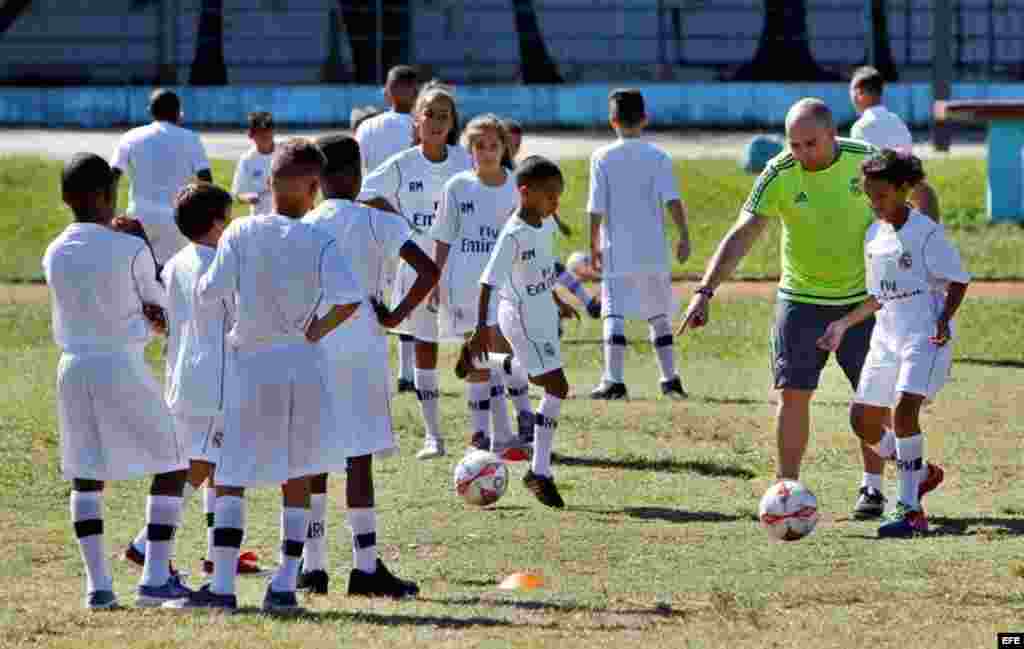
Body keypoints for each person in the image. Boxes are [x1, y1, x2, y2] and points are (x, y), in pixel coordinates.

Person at [679, 98, 945, 518]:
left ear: (832, 134)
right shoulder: (780, 172)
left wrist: (924, 243)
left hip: (863, 300)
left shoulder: (865, 159)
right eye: (794, 144)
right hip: (800, 300)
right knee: (792, 394)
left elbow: (922, 190)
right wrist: (704, 291)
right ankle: (786, 491)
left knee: (872, 399)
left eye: (810, 143)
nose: (801, 153)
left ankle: (873, 487)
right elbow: (743, 232)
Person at [172, 139, 363, 612]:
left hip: (252, 364)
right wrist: (315, 329)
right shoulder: (320, 240)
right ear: (313, 188)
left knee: (231, 474)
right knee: (296, 474)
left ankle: (222, 586)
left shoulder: (241, 231)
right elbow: (349, 300)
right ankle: (283, 584)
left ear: (270, 182)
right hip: (303, 363)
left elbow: (210, 290)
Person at [44, 153, 190, 609]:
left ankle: (98, 587)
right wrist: (143, 245)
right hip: (120, 363)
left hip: (73, 367)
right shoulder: (129, 248)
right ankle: (154, 577)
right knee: (174, 463)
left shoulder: (54, 250)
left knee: (86, 475)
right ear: (106, 196)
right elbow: (160, 302)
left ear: (66, 198)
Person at [297, 134, 436, 597]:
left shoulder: (305, 224)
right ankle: (365, 566)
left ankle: (313, 566)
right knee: (358, 459)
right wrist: (396, 316)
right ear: (357, 174)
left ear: (316, 179)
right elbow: (428, 270)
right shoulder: (378, 220)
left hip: (314, 348)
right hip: (362, 350)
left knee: (315, 458)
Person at [817, 150, 968, 537]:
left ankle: (910, 510)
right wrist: (843, 324)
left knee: (903, 411)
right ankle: (919, 472)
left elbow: (958, 279)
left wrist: (943, 319)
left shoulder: (926, 233)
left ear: (904, 189)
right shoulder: (874, 235)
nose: (875, 203)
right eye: (869, 196)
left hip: (923, 333)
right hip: (886, 336)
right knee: (862, 419)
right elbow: (877, 296)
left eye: (881, 195)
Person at [121, 183, 265, 579]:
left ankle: (217, 552)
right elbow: (243, 320)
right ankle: (143, 544)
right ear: (217, 224)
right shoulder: (220, 264)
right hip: (214, 382)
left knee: (216, 465)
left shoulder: (176, 262)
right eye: (228, 219)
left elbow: (165, 317)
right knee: (200, 465)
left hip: (184, 375)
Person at [358, 81, 474, 460]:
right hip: (419, 267)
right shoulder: (403, 164)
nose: (437, 121)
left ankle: (485, 432)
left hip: (460, 264)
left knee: (477, 343)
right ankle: (433, 436)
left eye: (444, 116)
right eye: (430, 114)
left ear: (452, 122)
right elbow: (364, 192)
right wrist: (398, 220)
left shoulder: (464, 161)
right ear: (416, 121)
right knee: (425, 347)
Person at [466, 155, 577, 508]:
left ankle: (490, 362)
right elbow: (487, 282)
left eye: (558, 195)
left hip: (543, 313)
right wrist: (481, 329)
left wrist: (557, 300)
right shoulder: (513, 235)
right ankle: (539, 471)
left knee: (542, 380)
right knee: (557, 386)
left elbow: (541, 270)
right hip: (521, 318)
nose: (555, 202)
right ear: (526, 193)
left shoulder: (545, 224)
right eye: (549, 195)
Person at [430, 114, 531, 459]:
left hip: (504, 286)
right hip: (464, 285)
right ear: (469, 149)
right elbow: (443, 237)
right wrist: (435, 279)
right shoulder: (457, 187)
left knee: (502, 352)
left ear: (504, 148)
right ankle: (481, 434)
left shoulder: (517, 187)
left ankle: (519, 423)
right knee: (476, 359)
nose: (487, 152)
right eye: (479, 146)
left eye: (493, 146)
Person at [588, 89, 690, 401]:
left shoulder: (601, 157)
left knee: (613, 313)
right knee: (658, 314)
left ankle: (613, 380)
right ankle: (670, 379)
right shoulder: (659, 157)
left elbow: (595, 207)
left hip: (617, 249)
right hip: (653, 250)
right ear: (645, 119)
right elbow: (672, 200)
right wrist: (684, 235)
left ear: (612, 121)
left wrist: (593, 244)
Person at [354, 66, 421, 394]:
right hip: (412, 219)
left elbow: (359, 173)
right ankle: (408, 372)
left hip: (372, 215)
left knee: (376, 293)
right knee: (409, 295)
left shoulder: (367, 127)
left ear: (386, 92)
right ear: (416, 93)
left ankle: (375, 367)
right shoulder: (421, 127)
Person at [110, 89, 212, 265]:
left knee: (139, 272)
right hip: (178, 220)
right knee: (175, 273)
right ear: (179, 113)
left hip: (138, 218)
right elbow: (206, 181)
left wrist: (112, 215)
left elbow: (111, 178)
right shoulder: (191, 138)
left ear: (150, 111)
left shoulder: (130, 137)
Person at [849, 66, 940, 222]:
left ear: (860, 93)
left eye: (851, 92)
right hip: (903, 203)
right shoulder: (898, 122)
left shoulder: (860, 127)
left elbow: (857, 173)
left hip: (877, 207)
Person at [231, 111, 275, 216]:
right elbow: (238, 194)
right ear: (251, 135)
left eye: (268, 131)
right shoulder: (247, 159)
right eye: (260, 132)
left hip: (285, 218)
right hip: (260, 218)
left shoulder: (285, 153)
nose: (265, 135)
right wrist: (248, 198)